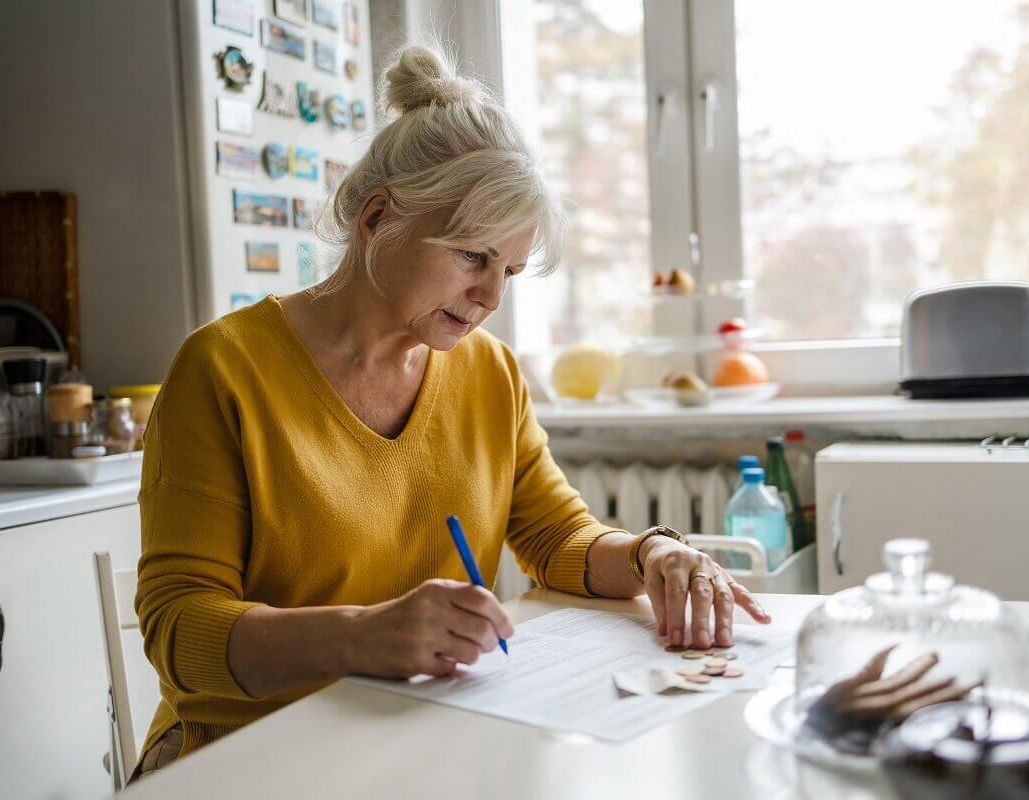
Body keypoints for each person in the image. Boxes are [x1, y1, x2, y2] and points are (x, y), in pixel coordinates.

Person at [131, 44, 770, 781]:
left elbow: (557, 537)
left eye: (509, 271)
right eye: (473, 256)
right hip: (248, 755)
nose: (491, 297)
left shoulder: (491, 373)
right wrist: (360, 635)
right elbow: (179, 634)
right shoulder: (224, 369)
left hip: (419, 735)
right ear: (377, 218)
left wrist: (653, 555)